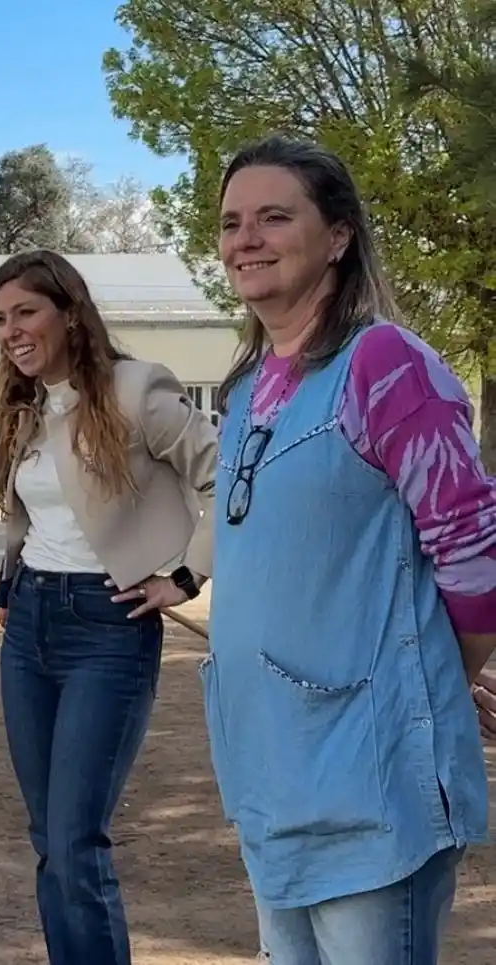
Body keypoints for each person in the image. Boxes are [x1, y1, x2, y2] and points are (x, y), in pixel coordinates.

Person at [204, 135, 496, 965]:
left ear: (336, 236)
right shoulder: (248, 391)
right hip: (272, 774)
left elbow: (479, 556)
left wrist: (435, 678)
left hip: (368, 783)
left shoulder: (386, 364)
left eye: (273, 217)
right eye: (231, 222)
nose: (245, 239)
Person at [0, 249, 218, 965]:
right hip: (30, 625)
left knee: (75, 837)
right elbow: (26, 511)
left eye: (25, 311)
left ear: (69, 311)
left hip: (107, 628)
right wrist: (9, 580)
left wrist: (186, 575)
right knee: (46, 836)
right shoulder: (24, 402)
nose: (11, 330)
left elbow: (229, 480)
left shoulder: (136, 388)